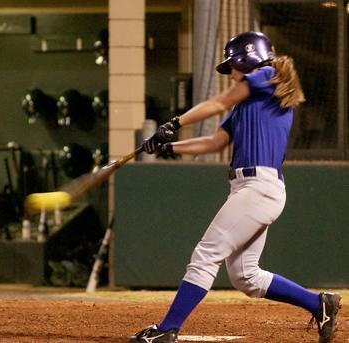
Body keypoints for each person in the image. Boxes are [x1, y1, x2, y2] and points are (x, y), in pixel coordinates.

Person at [129, 31, 341, 343]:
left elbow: (217, 102)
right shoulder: (246, 105)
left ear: (249, 58)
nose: (233, 74)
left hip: (259, 187)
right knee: (246, 277)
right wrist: (169, 148)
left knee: (205, 255)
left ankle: (167, 329)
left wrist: (174, 123)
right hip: (250, 189)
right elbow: (215, 142)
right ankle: (318, 303)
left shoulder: (268, 75)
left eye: (234, 66)